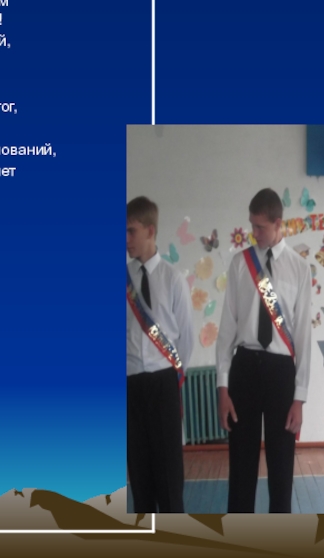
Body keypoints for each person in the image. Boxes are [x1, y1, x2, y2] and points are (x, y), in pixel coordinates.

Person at [216, 188, 311, 513]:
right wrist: (222, 388)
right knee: (241, 466)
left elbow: (303, 335)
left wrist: (299, 398)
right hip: (244, 367)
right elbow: (226, 330)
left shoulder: (299, 268)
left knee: (281, 468)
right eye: (251, 225)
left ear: (278, 223)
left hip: (281, 372)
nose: (254, 233)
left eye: (260, 227)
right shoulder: (240, 264)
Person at [126, 196, 194, 513]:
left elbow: (186, 337)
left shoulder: (172, 279)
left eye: (131, 231)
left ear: (150, 231)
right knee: (140, 478)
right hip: (130, 385)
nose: (126, 239)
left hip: (164, 383)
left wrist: (171, 376)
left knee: (168, 479)